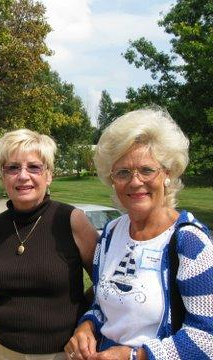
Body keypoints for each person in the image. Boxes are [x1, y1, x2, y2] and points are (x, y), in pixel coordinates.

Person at [65, 108, 213, 360]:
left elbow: (207, 338)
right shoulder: (111, 233)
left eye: (146, 170)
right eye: (123, 172)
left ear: (167, 174)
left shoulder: (190, 241)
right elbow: (104, 305)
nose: (135, 182)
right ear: (112, 180)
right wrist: (86, 327)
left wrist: (137, 356)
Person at [0, 128, 98, 359]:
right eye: (12, 168)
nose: (23, 176)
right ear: (2, 175)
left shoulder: (72, 221)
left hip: (61, 353)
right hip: (0, 351)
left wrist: (85, 321)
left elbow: (106, 285)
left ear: (49, 175)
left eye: (34, 167)